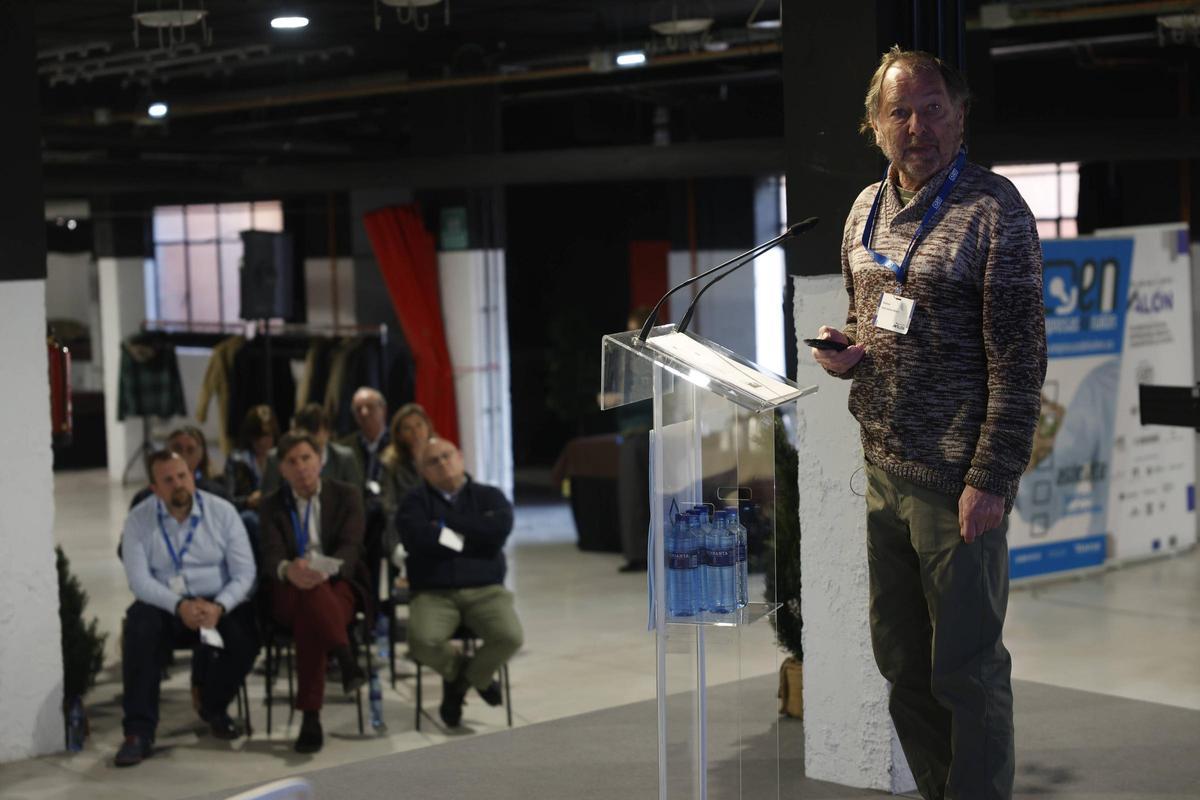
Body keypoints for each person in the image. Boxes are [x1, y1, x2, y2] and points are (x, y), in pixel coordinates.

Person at [810, 47, 1046, 800]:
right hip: (883, 470)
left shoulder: (994, 209)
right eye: (899, 111)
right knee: (903, 665)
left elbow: (1020, 359)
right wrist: (849, 352)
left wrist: (991, 479)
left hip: (957, 485)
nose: (918, 125)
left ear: (960, 112)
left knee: (968, 673)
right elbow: (869, 317)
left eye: (933, 107)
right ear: (875, 126)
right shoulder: (861, 211)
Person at [115, 451, 259, 767]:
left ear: (191, 476)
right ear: (154, 488)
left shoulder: (222, 512)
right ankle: (138, 732)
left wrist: (220, 605)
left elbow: (245, 573)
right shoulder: (138, 520)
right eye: (168, 480)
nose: (178, 484)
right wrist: (178, 605)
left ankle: (213, 706)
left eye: (182, 476)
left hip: (216, 603)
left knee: (248, 630)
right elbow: (139, 581)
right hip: (166, 606)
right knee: (140, 625)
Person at [397, 436, 524, 728]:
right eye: (433, 461)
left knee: (510, 636)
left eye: (447, 455)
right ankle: (471, 676)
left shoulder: (489, 495)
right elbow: (417, 539)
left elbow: (498, 531)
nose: (442, 463)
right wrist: (474, 536)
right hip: (434, 591)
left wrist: (443, 524)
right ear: (423, 471)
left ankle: (458, 685)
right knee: (421, 641)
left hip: (486, 589)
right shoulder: (414, 502)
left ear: (460, 457)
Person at [259, 431, 367, 754]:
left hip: (337, 584)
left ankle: (310, 717)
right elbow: (271, 556)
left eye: (306, 458)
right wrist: (289, 570)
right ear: (282, 470)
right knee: (307, 597)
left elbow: (352, 546)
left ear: (319, 461)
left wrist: (324, 569)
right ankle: (345, 657)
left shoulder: (347, 495)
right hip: (289, 588)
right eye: (292, 462)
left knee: (312, 612)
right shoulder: (271, 505)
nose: (301, 467)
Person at [338, 387, 391, 599]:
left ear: (383, 410)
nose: (364, 413)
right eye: (358, 409)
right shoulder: (345, 447)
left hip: (388, 511)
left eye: (369, 407)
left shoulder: (398, 443)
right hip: (359, 511)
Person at [261, 403, 363, 496]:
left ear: (327, 432)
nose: (308, 441)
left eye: (314, 433)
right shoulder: (277, 457)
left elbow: (356, 499)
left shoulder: (344, 458)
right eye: (303, 435)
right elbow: (268, 501)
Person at [379, 402, 435, 566]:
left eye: (419, 425)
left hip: (441, 524)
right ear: (399, 434)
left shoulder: (441, 455)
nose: (415, 432)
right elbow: (389, 507)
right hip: (407, 527)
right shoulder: (391, 464)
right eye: (407, 428)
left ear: (428, 426)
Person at [224, 404, 280, 555]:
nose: (262, 442)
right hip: (250, 513)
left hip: (278, 511)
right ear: (250, 436)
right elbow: (229, 501)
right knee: (250, 520)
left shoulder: (282, 458)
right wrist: (248, 501)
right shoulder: (237, 460)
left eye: (267, 436)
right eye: (258, 436)